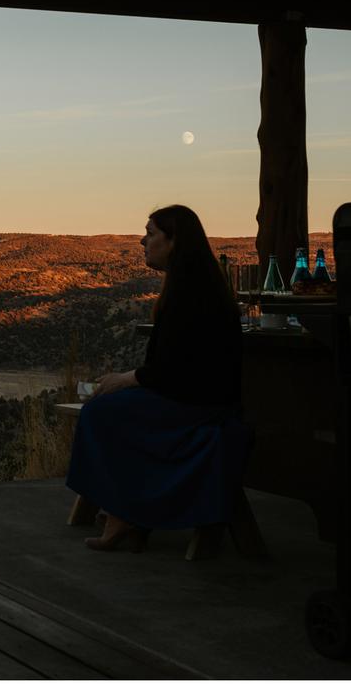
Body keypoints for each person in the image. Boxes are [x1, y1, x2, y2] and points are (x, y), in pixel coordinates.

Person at [65, 204, 249, 552]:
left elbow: (173, 370)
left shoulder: (190, 292)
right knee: (110, 408)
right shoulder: (192, 285)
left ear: (174, 241)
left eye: (150, 234)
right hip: (195, 398)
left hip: (200, 405)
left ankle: (121, 513)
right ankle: (127, 513)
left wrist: (124, 379)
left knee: (100, 413)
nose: (142, 241)